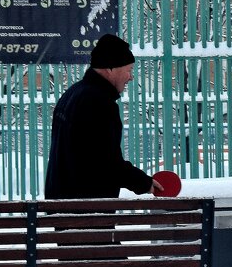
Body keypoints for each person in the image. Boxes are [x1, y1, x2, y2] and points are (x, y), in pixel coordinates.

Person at [44, 34, 163, 199]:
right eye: (128, 70)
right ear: (110, 68)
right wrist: (143, 182)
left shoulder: (72, 94)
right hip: (88, 207)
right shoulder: (98, 103)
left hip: (64, 202)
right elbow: (106, 162)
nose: (131, 77)